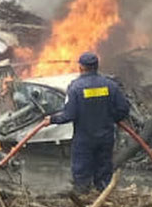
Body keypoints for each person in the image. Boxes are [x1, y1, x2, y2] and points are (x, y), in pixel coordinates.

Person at [50, 52, 131, 195]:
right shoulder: (110, 85)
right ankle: (104, 200)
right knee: (104, 172)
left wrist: (51, 119)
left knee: (82, 174)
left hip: (84, 139)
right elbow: (123, 109)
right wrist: (111, 119)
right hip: (105, 137)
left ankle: (82, 202)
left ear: (81, 67)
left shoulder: (75, 87)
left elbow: (69, 115)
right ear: (96, 66)